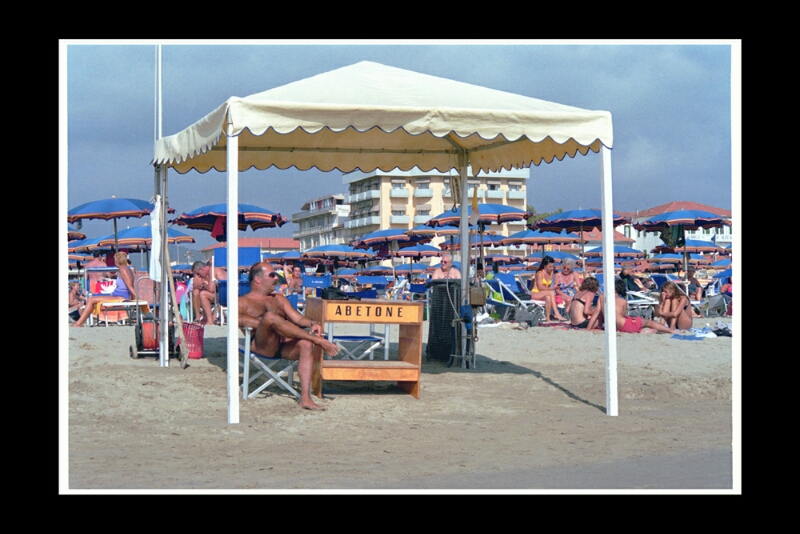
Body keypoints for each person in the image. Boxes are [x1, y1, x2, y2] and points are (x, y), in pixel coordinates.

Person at [239, 262, 340, 410]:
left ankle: (305, 398)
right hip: (262, 346)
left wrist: (312, 323)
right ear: (258, 279)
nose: (276, 278)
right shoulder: (243, 302)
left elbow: (298, 318)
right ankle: (317, 340)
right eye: (272, 275)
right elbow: (238, 320)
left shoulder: (278, 298)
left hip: (284, 346)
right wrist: (270, 324)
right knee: (270, 318)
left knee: (305, 344)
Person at [587, 279, 678, 334]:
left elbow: (596, 313)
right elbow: (622, 317)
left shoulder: (602, 296)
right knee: (648, 322)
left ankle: (643, 331)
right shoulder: (623, 301)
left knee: (635, 323)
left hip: (613, 327)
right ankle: (671, 331)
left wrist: (588, 328)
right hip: (623, 326)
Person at [72, 251, 137, 327]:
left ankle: (79, 323)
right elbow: (129, 284)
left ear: (117, 260)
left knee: (91, 300)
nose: (114, 261)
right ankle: (80, 323)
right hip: (117, 295)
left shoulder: (123, 270)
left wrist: (136, 298)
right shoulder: (125, 269)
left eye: (115, 260)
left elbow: (130, 286)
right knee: (91, 300)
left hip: (120, 296)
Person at [191, 260, 229, 325]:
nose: (198, 275)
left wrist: (202, 284)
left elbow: (211, 289)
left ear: (201, 269)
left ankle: (209, 320)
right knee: (196, 291)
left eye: (198, 273)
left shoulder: (212, 270)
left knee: (203, 294)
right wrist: (200, 284)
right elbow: (195, 285)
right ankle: (199, 317)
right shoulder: (208, 273)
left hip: (226, 296)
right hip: (223, 294)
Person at [529, 255, 567, 321]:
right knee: (551, 292)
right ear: (544, 266)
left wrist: (555, 287)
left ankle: (548, 318)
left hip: (544, 294)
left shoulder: (551, 273)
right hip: (535, 293)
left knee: (548, 297)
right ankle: (556, 313)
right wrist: (552, 288)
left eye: (552, 266)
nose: (552, 268)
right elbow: (540, 287)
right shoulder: (539, 273)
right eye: (550, 266)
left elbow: (547, 288)